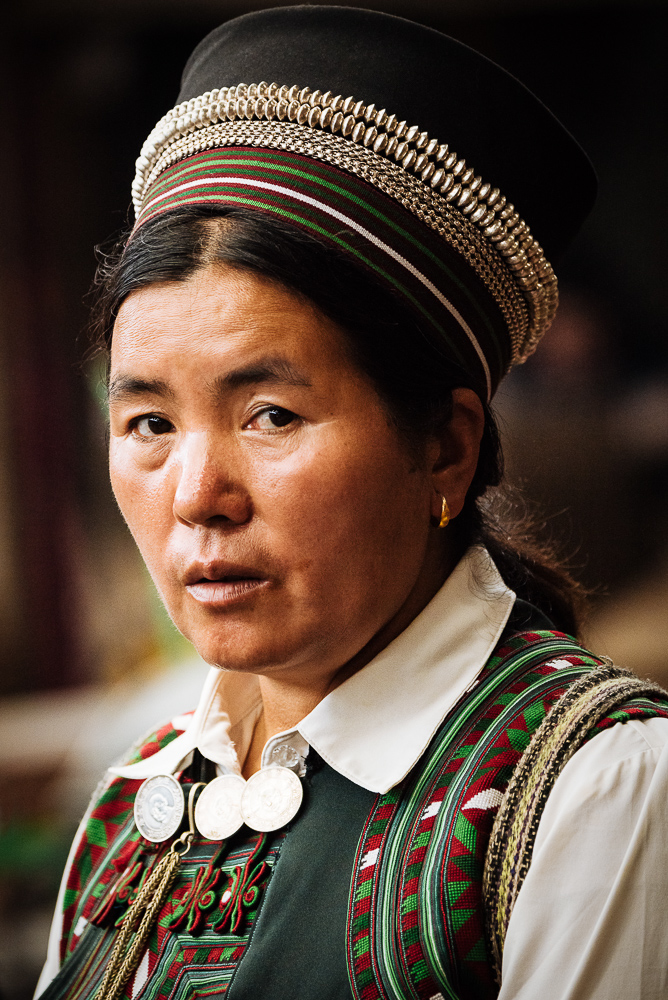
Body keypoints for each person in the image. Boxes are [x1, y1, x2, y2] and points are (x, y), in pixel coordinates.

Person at [35, 7, 668, 1000]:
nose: (198, 497)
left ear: (444, 446)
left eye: (273, 414)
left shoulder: (598, 788)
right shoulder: (133, 803)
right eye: (149, 424)